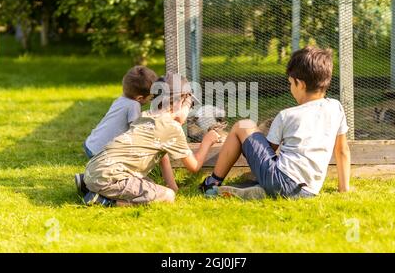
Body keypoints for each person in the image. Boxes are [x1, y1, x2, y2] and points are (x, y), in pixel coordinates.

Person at [199, 46, 351, 199]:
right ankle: (259, 188)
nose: (291, 88)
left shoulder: (287, 115)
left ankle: (213, 182)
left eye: (291, 83)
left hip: (280, 179)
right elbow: (342, 151)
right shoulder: (336, 108)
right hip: (309, 190)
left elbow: (265, 152)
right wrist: (344, 189)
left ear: (301, 84)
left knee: (243, 125)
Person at [82, 72, 220, 206]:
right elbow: (194, 166)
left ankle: (88, 184)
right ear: (179, 101)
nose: (189, 112)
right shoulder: (171, 128)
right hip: (109, 176)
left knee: (154, 186)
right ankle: (103, 200)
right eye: (189, 106)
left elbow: (163, 158)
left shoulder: (145, 115)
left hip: (95, 167)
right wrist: (207, 141)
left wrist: (174, 188)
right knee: (167, 196)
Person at [74, 66, 158, 193]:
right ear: (140, 98)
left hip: (92, 143)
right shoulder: (134, 105)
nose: (151, 100)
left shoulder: (121, 99)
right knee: (118, 172)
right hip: (101, 150)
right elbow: (135, 130)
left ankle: (84, 180)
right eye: (150, 98)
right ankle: (91, 186)